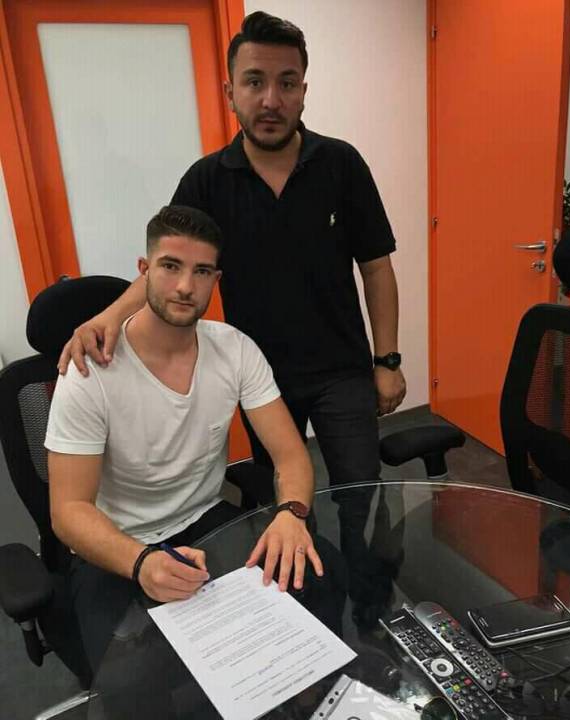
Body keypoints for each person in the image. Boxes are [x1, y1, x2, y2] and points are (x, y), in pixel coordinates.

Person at [59, 11, 406, 496]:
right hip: (258, 373)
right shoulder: (206, 181)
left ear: (303, 91)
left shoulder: (341, 165)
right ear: (230, 93)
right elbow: (167, 268)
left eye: (287, 83)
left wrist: (387, 359)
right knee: (282, 490)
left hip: (342, 370)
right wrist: (108, 317)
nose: (271, 100)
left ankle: (361, 548)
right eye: (254, 81)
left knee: (360, 492)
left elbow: (376, 268)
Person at [46, 205, 322, 672]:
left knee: (314, 584)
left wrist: (291, 513)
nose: (184, 286)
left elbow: (291, 456)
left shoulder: (234, 349)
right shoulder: (90, 372)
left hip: (206, 520)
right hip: (118, 541)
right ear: (144, 271)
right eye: (170, 266)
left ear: (216, 279)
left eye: (201, 272)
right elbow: (68, 510)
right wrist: (141, 562)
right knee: (129, 677)